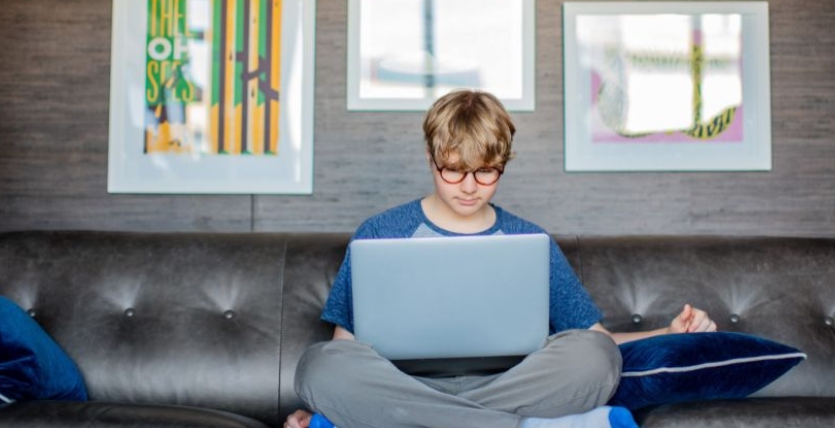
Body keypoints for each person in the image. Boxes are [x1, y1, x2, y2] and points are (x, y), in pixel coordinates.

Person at [286, 89, 717, 428]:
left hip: (508, 385)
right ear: (430, 159)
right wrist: (337, 394)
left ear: (503, 164)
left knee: (595, 357)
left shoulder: (529, 238)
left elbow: (599, 340)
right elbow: (346, 350)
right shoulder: (379, 232)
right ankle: (533, 426)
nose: (469, 186)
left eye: (486, 171)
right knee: (319, 367)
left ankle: (396, 422)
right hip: (402, 384)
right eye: (453, 168)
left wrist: (668, 331)